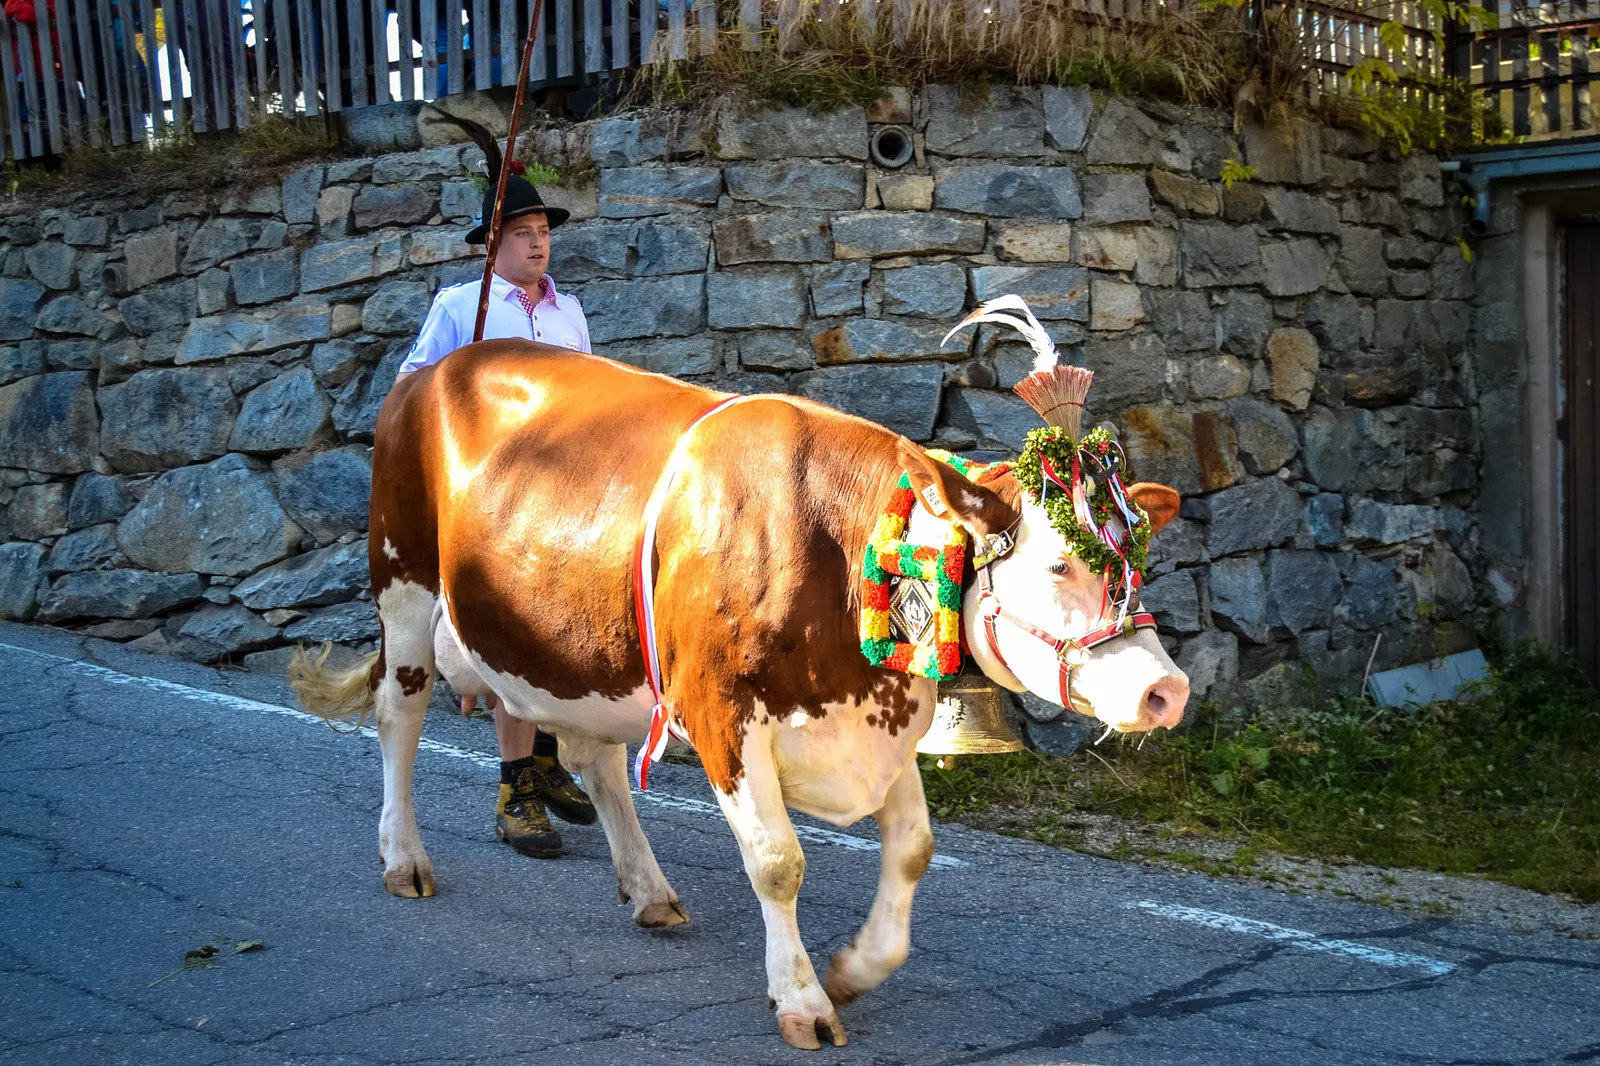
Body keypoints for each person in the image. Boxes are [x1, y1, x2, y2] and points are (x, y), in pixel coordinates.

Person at [395, 111, 596, 859]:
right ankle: (515, 786)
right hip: (497, 496)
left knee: (557, 634)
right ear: (491, 245)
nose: (538, 240)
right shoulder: (461, 306)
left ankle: (546, 763)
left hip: (570, 496)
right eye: (521, 231)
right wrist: (464, 387)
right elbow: (410, 387)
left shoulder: (568, 311)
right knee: (510, 636)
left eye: (543, 228)